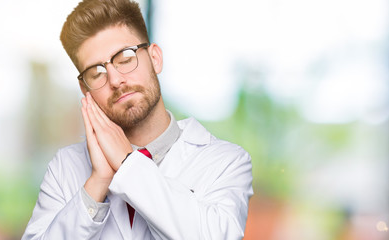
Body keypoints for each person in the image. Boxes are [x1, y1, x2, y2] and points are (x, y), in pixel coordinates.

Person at [22, 0, 253, 239]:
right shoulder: (65, 167)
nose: (115, 80)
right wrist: (97, 184)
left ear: (155, 58)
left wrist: (127, 163)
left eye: (125, 58)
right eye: (96, 73)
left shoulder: (227, 162)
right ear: (85, 90)